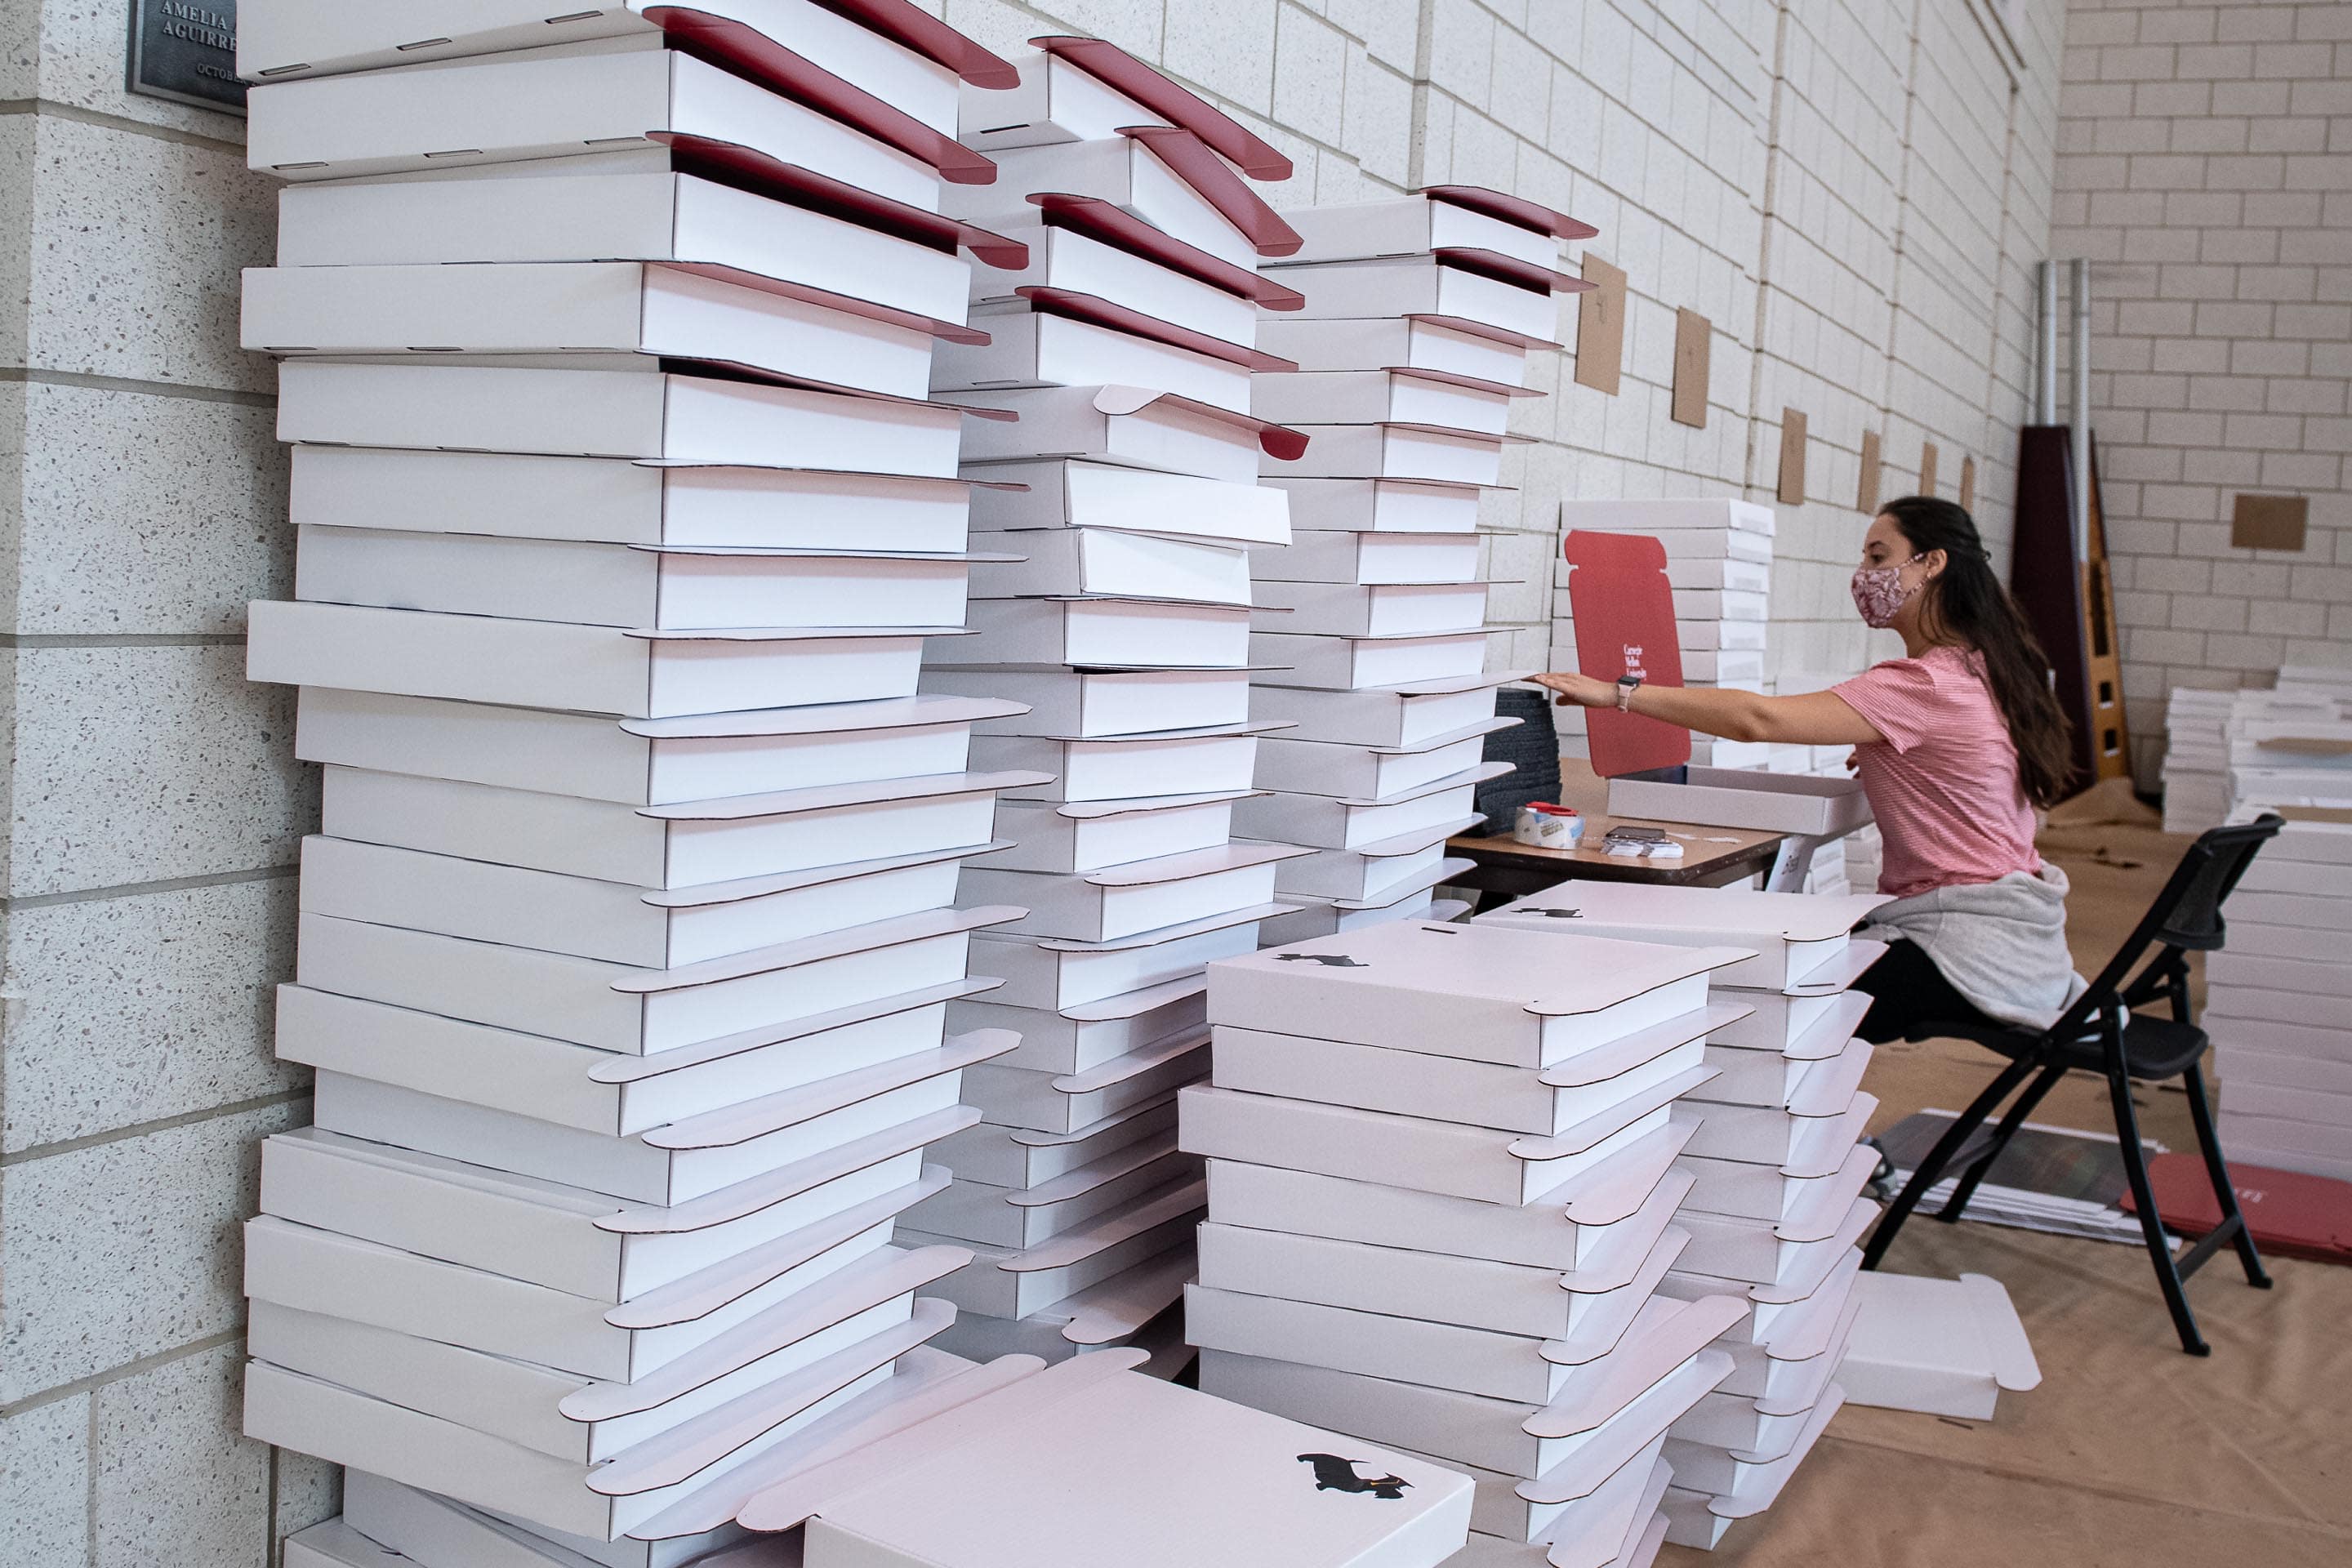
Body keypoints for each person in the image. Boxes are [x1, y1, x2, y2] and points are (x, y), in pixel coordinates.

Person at [1534, 497, 2084, 1043]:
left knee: (1756, 1008)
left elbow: (1759, 719)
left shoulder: (1925, 684)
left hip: (1965, 953)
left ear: (1932, 563)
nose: (1864, 576)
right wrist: (1888, 755)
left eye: (1878, 556)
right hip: (2020, 945)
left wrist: (1618, 692)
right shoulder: (1984, 666)